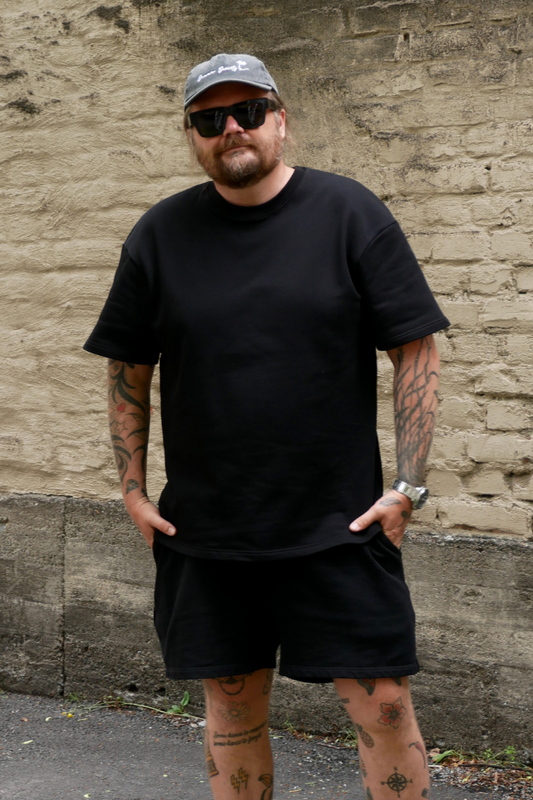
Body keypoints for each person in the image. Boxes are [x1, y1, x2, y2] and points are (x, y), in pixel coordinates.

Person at [84, 53, 449, 800]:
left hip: (341, 525)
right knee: (232, 712)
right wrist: (132, 491)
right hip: (209, 534)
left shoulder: (350, 214)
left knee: (383, 706)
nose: (231, 129)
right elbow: (128, 368)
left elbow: (415, 348)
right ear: (192, 134)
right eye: (209, 118)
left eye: (248, 111)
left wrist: (407, 487)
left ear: (281, 121)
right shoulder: (159, 235)